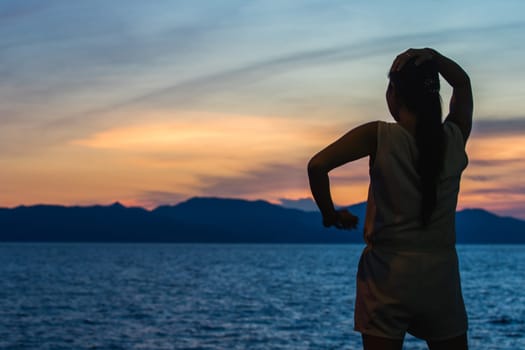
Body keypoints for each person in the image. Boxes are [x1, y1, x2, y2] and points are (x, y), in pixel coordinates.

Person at [307, 48, 472, 350]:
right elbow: (462, 85)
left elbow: (317, 166)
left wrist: (330, 215)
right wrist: (434, 58)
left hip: (387, 276)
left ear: (394, 94)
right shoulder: (453, 138)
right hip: (440, 275)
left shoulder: (380, 136)